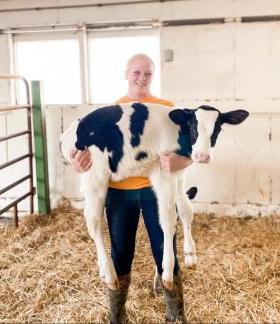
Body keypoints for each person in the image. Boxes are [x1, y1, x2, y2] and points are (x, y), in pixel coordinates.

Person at [70, 53, 192, 323]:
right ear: (126, 74)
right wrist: (79, 165)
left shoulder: (168, 110)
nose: (142, 79)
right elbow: (88, 158)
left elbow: (190, 152)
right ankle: (117, 314)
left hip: (155, 192)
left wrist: (180, 159)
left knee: (165, 248)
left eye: (148, 73)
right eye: (136, 73)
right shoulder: (111, 113)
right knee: (121, 253)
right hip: (119, 193)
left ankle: (175, 315)